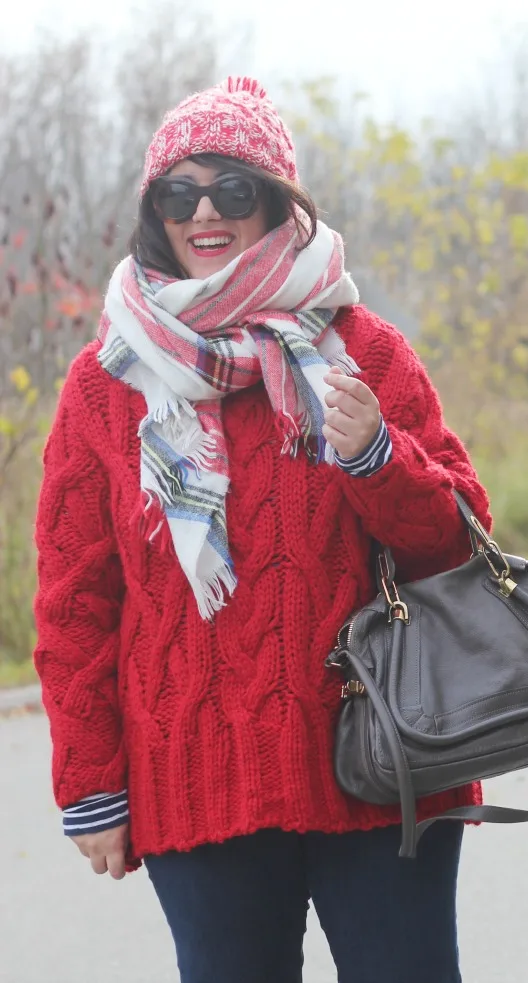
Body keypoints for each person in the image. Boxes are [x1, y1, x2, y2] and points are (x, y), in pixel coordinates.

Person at [33, 76, 491, 983]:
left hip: (385, 767)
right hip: (194, 778)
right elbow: (75, 597)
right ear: (152, 212)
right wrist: (90, 781)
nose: (205, 212)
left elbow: (460, 544)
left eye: (233, 189)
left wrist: (376, 458)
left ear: (280, 203)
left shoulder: (365, 350)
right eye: (179, 192)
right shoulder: (104, 383)